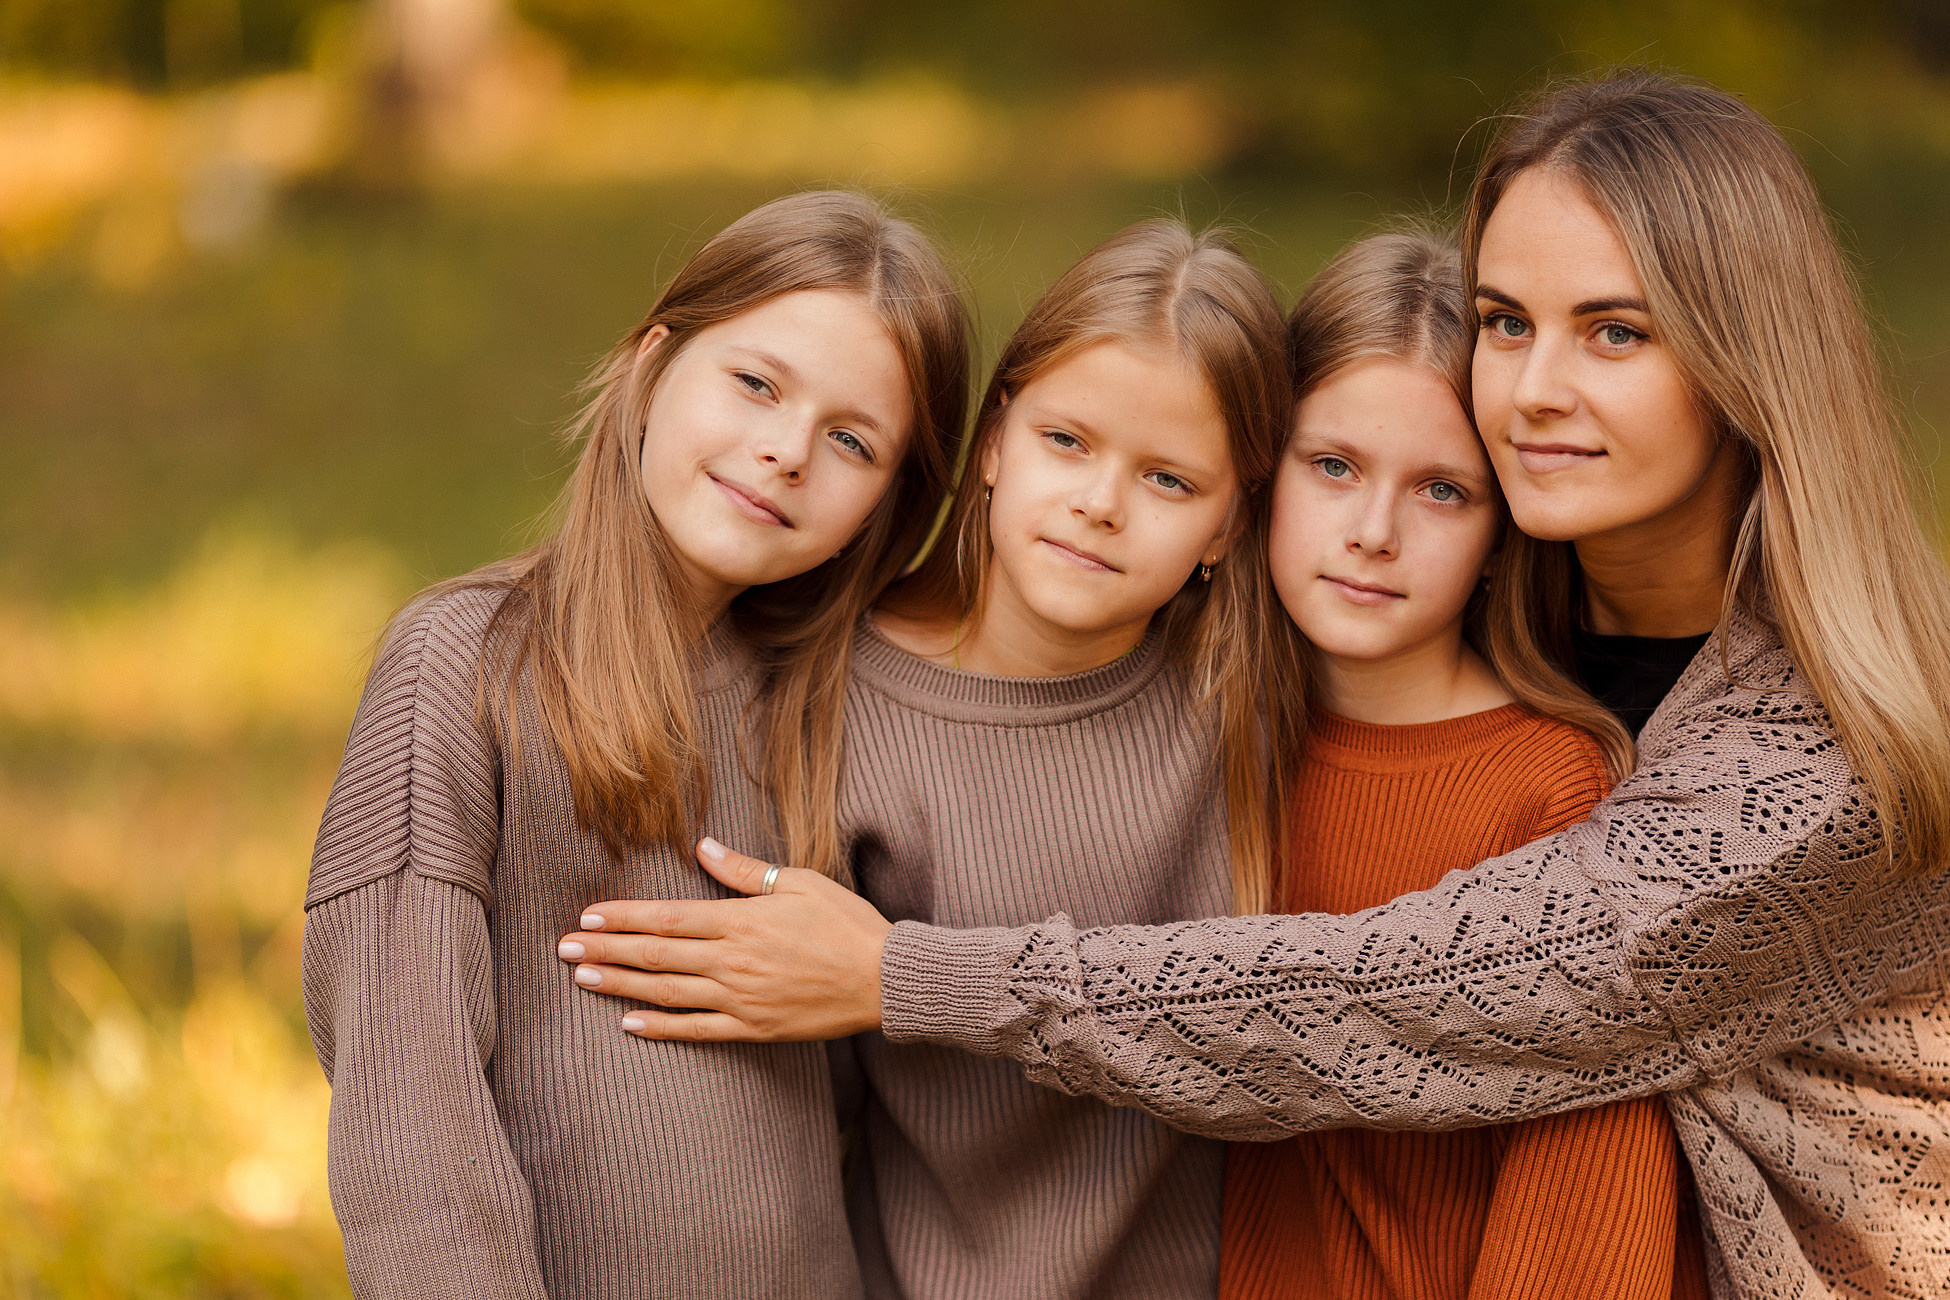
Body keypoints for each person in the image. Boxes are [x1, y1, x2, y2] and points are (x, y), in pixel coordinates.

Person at [556, 73, 1950, 1299]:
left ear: (1743, 356)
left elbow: (1435, 989)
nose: (1530, 388)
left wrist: (904, 973)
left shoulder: (1823, 750)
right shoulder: (1498, 615)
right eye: (1505, 321)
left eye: (1615, 334)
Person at [575, 217, 1290, 1298]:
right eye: (1069, 442)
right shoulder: (827, 694)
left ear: (1232, 523)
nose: (1100, 503)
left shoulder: (1252, 707)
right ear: (995, 441)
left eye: (1169, 482)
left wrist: (904, 976)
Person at [300, 190, 970, 1299]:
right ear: (653, 364)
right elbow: (409, 1121)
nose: (785, 451)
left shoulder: (844, 710)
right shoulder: (466, 663)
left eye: (852, 440)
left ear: (890, 505)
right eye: (756, 383)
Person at [1221, 227, 1702, 1299]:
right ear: (1264, 473)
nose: (1374, 531)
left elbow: (1588, 1196)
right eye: (1334, 466)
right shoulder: (1213, 745)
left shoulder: (1551, 786)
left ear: (1501, 533)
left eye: (1442, 490)